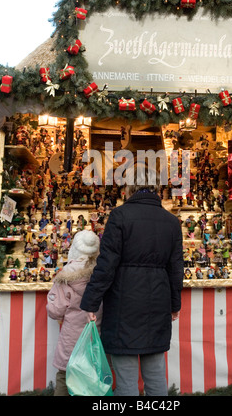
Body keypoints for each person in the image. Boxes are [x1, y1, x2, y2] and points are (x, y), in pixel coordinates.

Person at [80, 168, 184, 396]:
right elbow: (176, 269)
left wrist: (90, 302)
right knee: (156, 375)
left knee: (126, 379)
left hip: (123, 303)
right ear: (157, 187)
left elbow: (106, 264)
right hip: (158, 302)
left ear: (129, 186)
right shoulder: (171, 222)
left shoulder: (119, 216)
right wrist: (175, 304)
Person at [47, 229, 102, 396]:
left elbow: (56, 311)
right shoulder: (102, 273)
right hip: (96, 335)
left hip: (72, 338)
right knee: (91, 378)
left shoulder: (66, 275)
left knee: (65, 376)